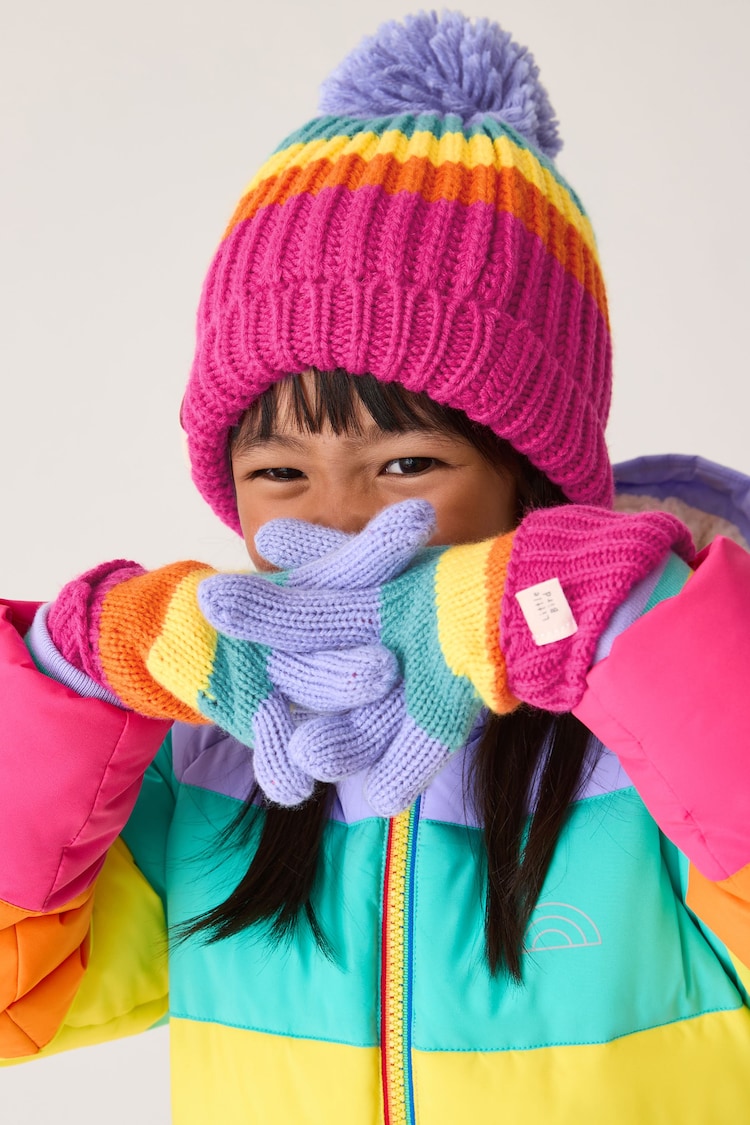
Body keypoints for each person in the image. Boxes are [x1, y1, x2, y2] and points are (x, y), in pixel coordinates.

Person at [2, 10, 750, 1122]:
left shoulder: (651, 755)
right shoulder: (214, 766)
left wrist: (584, 614)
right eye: (281, 473)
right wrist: (81, 670)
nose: (343, 522)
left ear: (531, 477)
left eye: (405, 462)